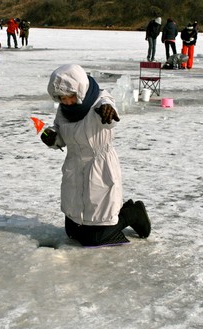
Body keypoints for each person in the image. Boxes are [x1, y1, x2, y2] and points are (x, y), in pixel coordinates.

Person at [40, 64, 151, 247]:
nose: (66, 102)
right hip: (74, 169)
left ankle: (131, 213)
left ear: (80, 91)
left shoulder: (99, 101)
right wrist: (52, 137)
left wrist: (107, 110)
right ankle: (107, 220)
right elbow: (61, 134)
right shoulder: (64, 110)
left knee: (94, 238)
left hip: (99, 168)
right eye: (62, 98)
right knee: (72, 232)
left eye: (70, 97)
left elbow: (109, 113)